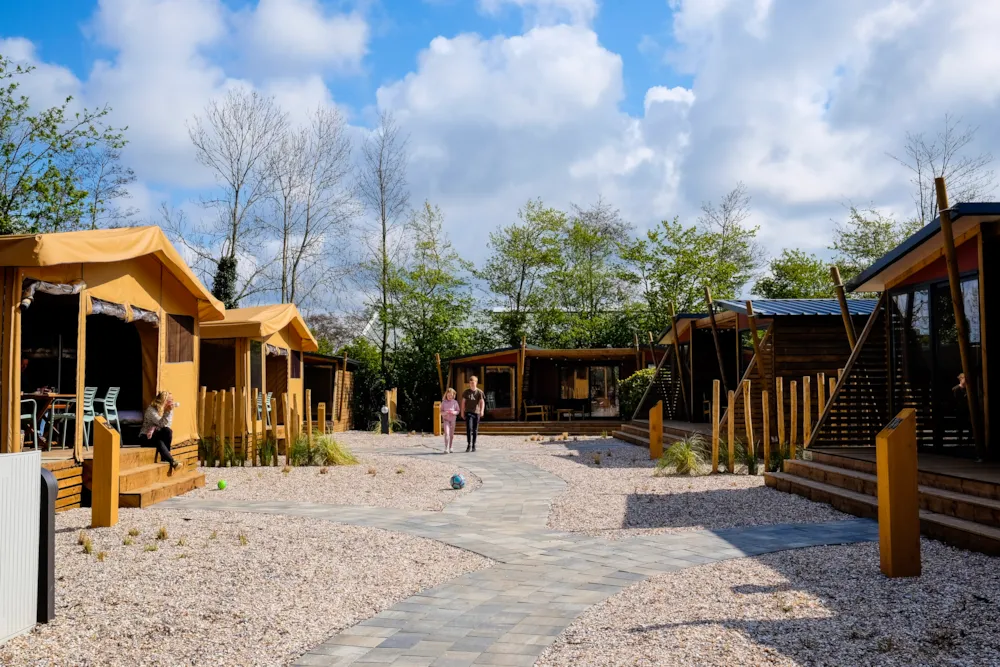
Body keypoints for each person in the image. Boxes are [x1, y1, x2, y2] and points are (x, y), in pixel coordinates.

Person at [139, 391, 181, 469]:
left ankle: (166, 456)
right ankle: (171, 461)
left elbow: (167, 426)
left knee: (168, 431)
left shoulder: (167, 410)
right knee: (159, 442)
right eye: (170, 400)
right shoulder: (151, 410)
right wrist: (167, 412)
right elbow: (160, 424)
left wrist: (168, 412)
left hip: (156, 434)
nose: (172, 402)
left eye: (172, 400)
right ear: (163, 400)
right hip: (146, 436)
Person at [460, 376, 485, 452]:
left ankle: (474, 444)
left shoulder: (479, 392)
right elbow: (463, 402)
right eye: (470, 383)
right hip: (468, 412)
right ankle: (469, 444)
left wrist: (482, 410)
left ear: (476, 383)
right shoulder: (466, 392)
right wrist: (462, 412)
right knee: (469, 428)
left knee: (475, 429)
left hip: (476, 412)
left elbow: (482, 402)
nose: (472, 384)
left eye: (473, 383)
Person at [440, 388, 460, 453]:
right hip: (446, 420)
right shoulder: (444, 402)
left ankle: (451, 447)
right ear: (446, 395)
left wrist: (453, 412)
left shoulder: (455, 402)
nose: (450, 397)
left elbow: (458, 411)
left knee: (451, 434)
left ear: (453, 395)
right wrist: (445, 413)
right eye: (448, 395)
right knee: (447, 433)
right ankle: (446, 448)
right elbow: (441, 411)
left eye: (451, 395)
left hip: (453, 421)